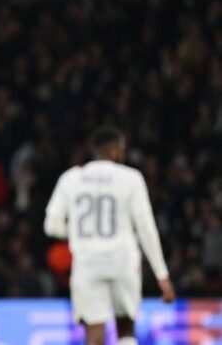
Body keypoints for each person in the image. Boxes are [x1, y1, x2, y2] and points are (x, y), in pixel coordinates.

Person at [44, 126, 176, 345]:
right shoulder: (130, 178)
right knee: (125, 327)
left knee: (94, 332)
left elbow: (51, 226)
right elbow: (146, 228)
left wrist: (76, 234)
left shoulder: (71, 178)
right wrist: (162, 274)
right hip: (123, 261)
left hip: (87, 263)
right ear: (114, 151)